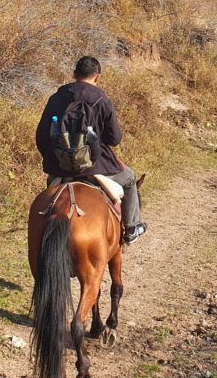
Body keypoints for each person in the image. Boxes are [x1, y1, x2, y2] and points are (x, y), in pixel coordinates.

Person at [35, 56, 146, 243]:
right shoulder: (102, 100)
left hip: (59, 167)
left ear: (74, 75)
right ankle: (132, 227)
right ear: (98, 78)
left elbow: (41, 137)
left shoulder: (55, 98)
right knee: (129, 178)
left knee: (48, 201)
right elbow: (115, 139)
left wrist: (55, 158)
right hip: (95, 166)